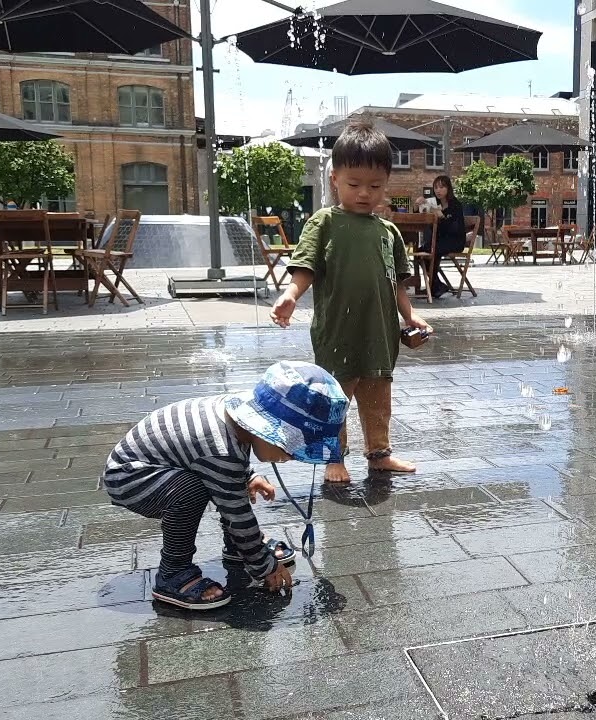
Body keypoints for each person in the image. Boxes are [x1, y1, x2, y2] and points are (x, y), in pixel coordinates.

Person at [101, 361, 348, 610]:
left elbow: (216, 462)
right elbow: (236, 511)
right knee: (192, 490)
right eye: (289, 445)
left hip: (162, 465)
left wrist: (247, 475)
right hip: (130, 477)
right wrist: (265, 566)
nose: (291, 456)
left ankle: (238, 548)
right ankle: (172, 574)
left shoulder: (234, 417)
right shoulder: (220, 449)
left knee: (224, 481)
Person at [270, 120, 432, 485]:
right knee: (335, 399)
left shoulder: (387, 232)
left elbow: (397, 286)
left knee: (378, 400)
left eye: (374, 186)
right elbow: (306, 268)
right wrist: (291, 295)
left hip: (380, 333)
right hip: (338, 332)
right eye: (354, 184)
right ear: (335, 180)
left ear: (386, 184)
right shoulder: (324, 222)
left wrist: (412, 316)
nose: (364, 193)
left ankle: (380, 455)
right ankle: (333, 458)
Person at [418, 175, 467, 298]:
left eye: (441, 187)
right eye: (436, 187)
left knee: (432, 250)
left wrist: (442, 218)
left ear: (448, 188)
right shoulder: (434, 204)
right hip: (439, 240)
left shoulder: (455, 205)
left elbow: (455, 229)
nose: (438, 190)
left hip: (455, 241)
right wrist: (418, 206)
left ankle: (435, 286)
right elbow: (427, 224)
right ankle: (436, 285)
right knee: (420, 252)